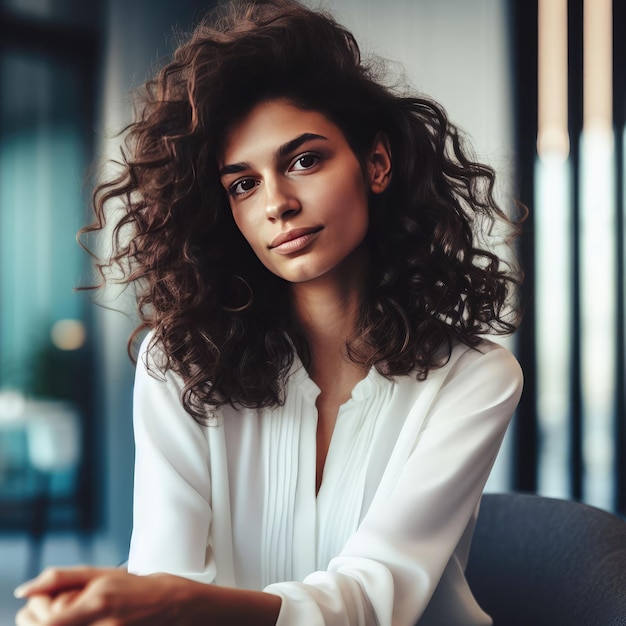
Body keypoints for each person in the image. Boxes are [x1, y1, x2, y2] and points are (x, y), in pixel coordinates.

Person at [14, 0, 524, 624]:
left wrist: (172, 601)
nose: (277, 203)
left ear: (377, 163)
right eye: (243, 184)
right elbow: (162, 573)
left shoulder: (476, 377)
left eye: (304, 160)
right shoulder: (179, 362)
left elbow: (374, 599)